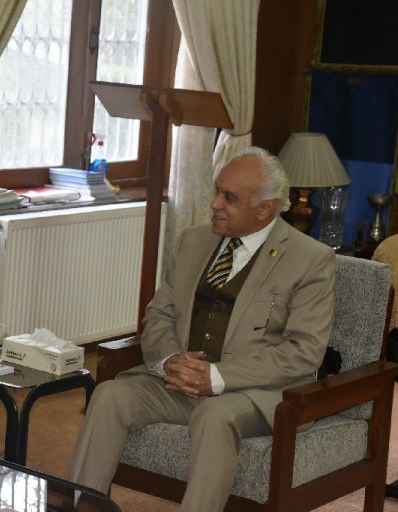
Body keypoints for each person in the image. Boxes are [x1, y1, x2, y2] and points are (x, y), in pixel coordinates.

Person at [68, 147, 335, 511]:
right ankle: (79, 506)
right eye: (216, 191)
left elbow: (304, 351)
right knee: (109, 395)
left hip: (256, 394)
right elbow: (159, 314)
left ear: (265, 209)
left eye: (229, 198)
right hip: (179, 384)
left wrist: (217, 377)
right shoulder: (193, 240)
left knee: (214, 415)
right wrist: (169, 360)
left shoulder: (310, 259)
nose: (214, 204)